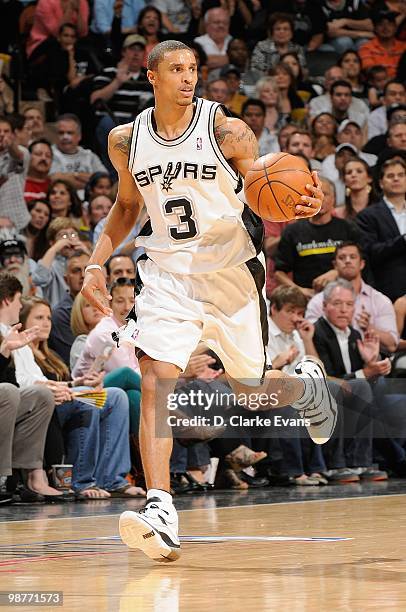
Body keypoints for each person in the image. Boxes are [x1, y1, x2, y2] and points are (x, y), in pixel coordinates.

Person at [81, 40, 337, 563]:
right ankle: (160, 508)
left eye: (193, 68)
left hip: (231, 274)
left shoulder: (227, 129)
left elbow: (268, 186)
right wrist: (94, 262)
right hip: (169, 275)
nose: (188, 77)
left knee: (253, 389)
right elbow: (128, 207)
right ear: (151, 77)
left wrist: (303, 201)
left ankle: (307, 388)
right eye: (176, 69)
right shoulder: (125, 140)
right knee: (156, 377)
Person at [313, 279, 389, 482]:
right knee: (352, 387)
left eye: (349, 305)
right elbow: (328, 377)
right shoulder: (316, 332)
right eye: (337, 304)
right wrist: (365, 372)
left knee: (366, 388)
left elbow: (355, 378)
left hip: (349, 394)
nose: (344, 310)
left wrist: (372, 362)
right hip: (322, 391)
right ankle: (334, 464)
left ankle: (360, 461)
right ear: (324, 306)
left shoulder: (355, 334)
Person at [306, 241, 399, 353]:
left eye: (353, 257)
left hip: (374, 362)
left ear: (362, 264)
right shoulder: (318, 301)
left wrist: (369, 327)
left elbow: (392, 345)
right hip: (331, 362)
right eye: (342, 257)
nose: (348, 261)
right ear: (335, 265)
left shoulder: (380, 300)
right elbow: (309, 337)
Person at [274, 177, 360, 297]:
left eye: (325, 194)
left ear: (334, 199)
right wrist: (300, 291)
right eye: (313, 194)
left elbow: (361, 263)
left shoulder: (348, 228)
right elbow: (279, 272)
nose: (320, 198)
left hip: (344, 297)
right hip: (306, 300)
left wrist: (337, 272)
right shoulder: (292, 231)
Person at [356, 157, 406, 302]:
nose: (396, 179)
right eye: (390, 176)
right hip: (388, 291)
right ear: (381, 183)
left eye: (401, 175)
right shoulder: (368, 216)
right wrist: (402, 241)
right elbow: (371, 252)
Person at [48, 250, 90, 364]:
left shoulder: (108, 303)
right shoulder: (60, 314)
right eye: (76, 271)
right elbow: (76, 358)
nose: (83, 275)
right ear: (66, 280)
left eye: (88, 269)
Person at [50, 114, 108, 194]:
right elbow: (53, 179)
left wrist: (71, 176)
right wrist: (85, 178)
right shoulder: (50, 153)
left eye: (70, 133)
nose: (65, 137)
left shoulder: (89, 155)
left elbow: (104, 179)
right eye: (61, 133)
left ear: (79, 136)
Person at [359, 10, 405, 79]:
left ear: (395, 28)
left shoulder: (404, 47)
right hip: (378, 85)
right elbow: (371, 71)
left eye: (389, 24)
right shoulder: (366, 48)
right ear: (375, 29)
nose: (385, 27)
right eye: (380, 24)